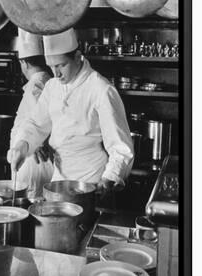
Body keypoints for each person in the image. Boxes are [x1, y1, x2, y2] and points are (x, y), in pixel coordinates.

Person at [8, 29, 134, 193]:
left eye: (61, 65)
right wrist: (22, 146)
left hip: (91, 180)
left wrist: (109, 177)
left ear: (77, 57)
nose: (56, 74)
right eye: (51, 66)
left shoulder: (101, 89)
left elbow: (121, 147)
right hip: (58, 180)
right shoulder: (52, 87)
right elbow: (36, 124)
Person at [10, 29, 54, 198]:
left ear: (24, 63)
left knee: (30, 206)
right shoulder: (49, 81)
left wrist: (36, 143)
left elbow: (39, 119)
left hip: (33, 164)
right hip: (36, 160)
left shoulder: (35, 86)